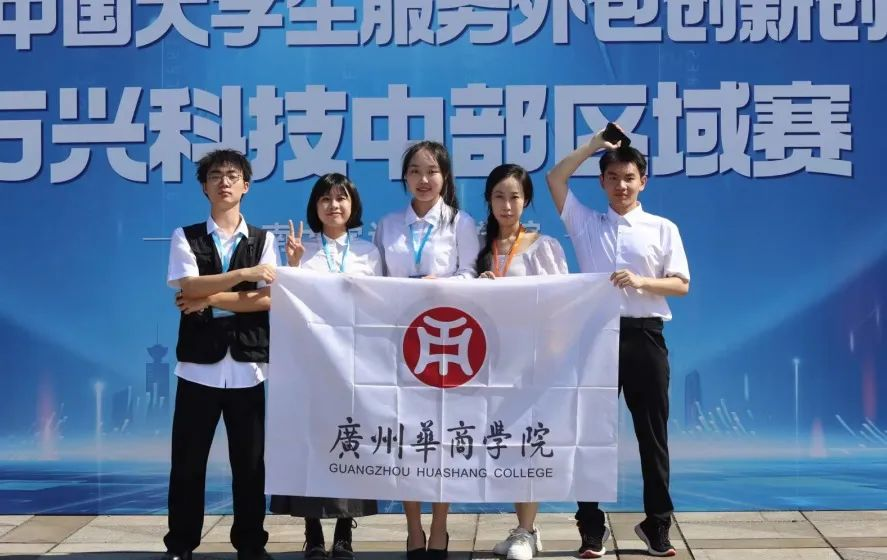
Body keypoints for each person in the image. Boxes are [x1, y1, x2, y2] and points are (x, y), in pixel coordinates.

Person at [546, 127, 690, 558]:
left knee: (652, 435)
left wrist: (642, 281)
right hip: (596, 336)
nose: (621, 186)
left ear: (643, 181)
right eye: (613, 178)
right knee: (590, 434)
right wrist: (595, 145)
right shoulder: (586, 223)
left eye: (629, 178)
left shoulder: (662, 228)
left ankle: (657, 524)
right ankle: (591, 527)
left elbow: (681, 284)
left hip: (646, 335)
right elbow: (556, 178)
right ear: (602, 182)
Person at [165, 149, 277, 560]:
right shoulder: (186, 236)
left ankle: (250, 544)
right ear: (204, 187)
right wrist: (243, 276)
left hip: (248, 368)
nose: (224, 182)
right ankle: (181, 545)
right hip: (198, 368)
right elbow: (187, 286)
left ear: (245, 185)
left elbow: (266, 299)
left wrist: (209, 297)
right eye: (215, 176)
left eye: (232, 176)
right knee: (188, 463)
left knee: (250, 465)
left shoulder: (264, 239)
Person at [373, 140, 480, 559]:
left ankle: (439, 528)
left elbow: (471, 274)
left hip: (444, 344)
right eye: (415, 171)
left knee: (441, 439)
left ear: (445, 177)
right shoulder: (387, 225)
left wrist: (442, 284)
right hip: (400, 344)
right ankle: (413, 529)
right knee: (407, 437)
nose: (423, 179)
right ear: (404, 177)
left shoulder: (461, 222)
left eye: (432, 171)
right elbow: (376, 281)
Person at [269, 172, 380, 560]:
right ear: (315, 207)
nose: (334, 205)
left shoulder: (368, 252)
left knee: (350, 442)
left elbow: (379, 305)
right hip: (311, 364)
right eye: (326, 199)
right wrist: (293, 265)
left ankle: (345, 532)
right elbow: (288, 303)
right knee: (312, 444)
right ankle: (313, 531)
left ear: (353, 205)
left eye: (341, 198)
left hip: (354, 363)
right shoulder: (304, 250)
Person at [476, 164, 567, 560]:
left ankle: (526, 531)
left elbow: (560, 301)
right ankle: (525, 527)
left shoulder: (543, 247)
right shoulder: (481, 247)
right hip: (491, 362)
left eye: (514, 196)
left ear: (526, 200)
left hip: (533, 360)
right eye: (499, 196)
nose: (507, 205)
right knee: (507, 444)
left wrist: (553, 355)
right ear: (489, 200)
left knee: (529, 443)